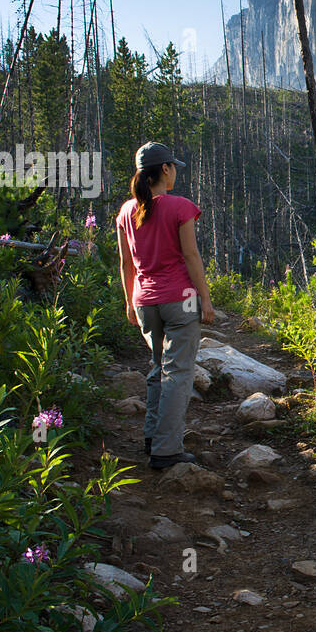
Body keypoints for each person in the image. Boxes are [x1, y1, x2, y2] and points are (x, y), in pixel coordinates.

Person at [115, 141, 214, 468]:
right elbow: (190, 256)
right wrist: (206, 300)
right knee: (178, 372)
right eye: (173, 168)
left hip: (145, 300)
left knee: (159, 367)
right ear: (166, 170)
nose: (175, 173)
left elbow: (126, 264)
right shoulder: (180, 207)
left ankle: (152, 436)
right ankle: (166, 449)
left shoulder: (127, 211)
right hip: (180, 299)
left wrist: (130, 302)